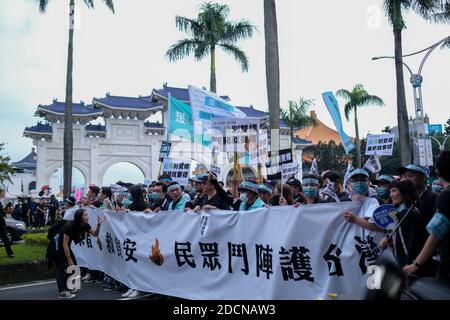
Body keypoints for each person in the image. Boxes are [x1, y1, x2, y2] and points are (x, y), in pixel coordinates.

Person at [403, 151, 450, 282]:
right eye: (405, 176)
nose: (407, 179)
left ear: (437, 172)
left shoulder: (443, 196)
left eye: (411, 176)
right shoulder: (407, 202)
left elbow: (436, 233)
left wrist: (416, 264)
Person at [380, 179, 435, 277]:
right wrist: (388, 240)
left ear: (403, 192)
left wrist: (407, 268)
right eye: (390, 192)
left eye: (394, 191)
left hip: (412, 270)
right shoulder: (401, 213)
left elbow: (410, 246)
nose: (391, 195)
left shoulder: (409, 214)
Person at [54, 208, 105, 299]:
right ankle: (62, 292)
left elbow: (95, 234)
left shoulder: (84, 225)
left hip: (65, 246)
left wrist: (99, 224)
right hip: (57, 246)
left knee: (73, 267)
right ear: (79, 217)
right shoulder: (70, 226)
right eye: (85, 215)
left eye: (87, 215)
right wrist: (69, 259)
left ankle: (67, 287)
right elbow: (64, 244)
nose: (87, 217)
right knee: (61, 268)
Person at [0, 188, 14, 257]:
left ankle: (10, 253)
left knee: (5, 238)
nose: (3, 194)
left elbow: (2, 213)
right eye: (3, 193)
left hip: (2, 223)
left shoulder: (0, 202)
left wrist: (7, 210)